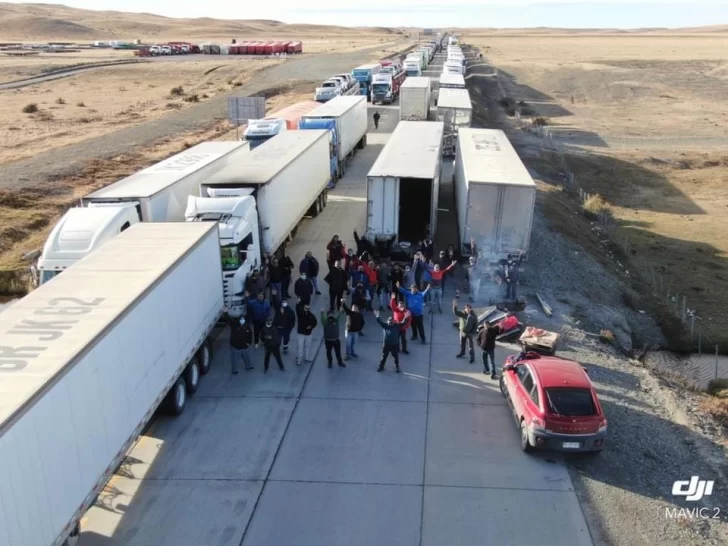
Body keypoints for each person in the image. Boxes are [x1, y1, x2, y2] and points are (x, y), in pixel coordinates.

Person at [223, 307, 254, 373]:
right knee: (234, 360)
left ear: (245, 320)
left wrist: (249, 343)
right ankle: (234, 370)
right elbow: (228, 318)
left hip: (245, 346)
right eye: (241, 319)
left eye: (243, 319)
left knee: (247, 358)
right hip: (235, 347)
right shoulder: (234, 324)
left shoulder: (247, 326)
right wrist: (225, 312)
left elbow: (250, 335)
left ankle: (248, 366)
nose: (242, 320)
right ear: (239, 320)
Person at [373, 308, 401, 372]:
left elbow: (404, 322)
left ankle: (397, 367)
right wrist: (377, 316)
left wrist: (406, 316)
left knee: (395, 357)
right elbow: (379, 321)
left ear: (394, 321)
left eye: (392, 321)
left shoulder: (397, 326)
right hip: (386, 345)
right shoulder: (385, 325)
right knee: (384, 356)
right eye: (389, 321)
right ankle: (381, 367)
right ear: (387, 321)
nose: (390, 322)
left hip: (395, 345)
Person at [453, 297, 478, 363]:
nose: (467, 310)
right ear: (465, 309)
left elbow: (475, 326)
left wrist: (472, 333)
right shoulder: (462, 313)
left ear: (470, 309)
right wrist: (455, 306)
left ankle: (472, 358)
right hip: (462, 332)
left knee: (470, 347)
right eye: (466, 308)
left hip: (469, 334)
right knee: (462, 344)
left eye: (469, 308)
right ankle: (462, 353)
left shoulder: (473, 316)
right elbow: (455, 312)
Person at [295, 301, 317, 365]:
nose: (307, 310)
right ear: (303, 308)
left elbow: (315, 323)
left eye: (308, 308)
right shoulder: (300, 314)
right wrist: (297, 303)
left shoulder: (311, 316)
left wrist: (311, 326)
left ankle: (307, 358)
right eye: (305, 308)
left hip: (308, 334)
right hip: (301, 333)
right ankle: (299, 359)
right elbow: (297, 309)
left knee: (308, 346)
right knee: (300, 346)